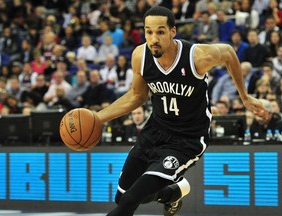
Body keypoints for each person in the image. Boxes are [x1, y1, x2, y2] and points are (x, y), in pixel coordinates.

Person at [93, 6, 268, 216]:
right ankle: (172, 193)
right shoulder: (141, 55)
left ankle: (168, 191)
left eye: (160, 31)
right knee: (122, 197)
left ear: (172, 32)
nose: (153, 38)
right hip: (154, 132)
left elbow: (229, 53)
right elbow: (137, 96)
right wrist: (97, 118)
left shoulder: (195, 57)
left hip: (186, 140)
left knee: (130, 200)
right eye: (149, 32)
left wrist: (245, 97)